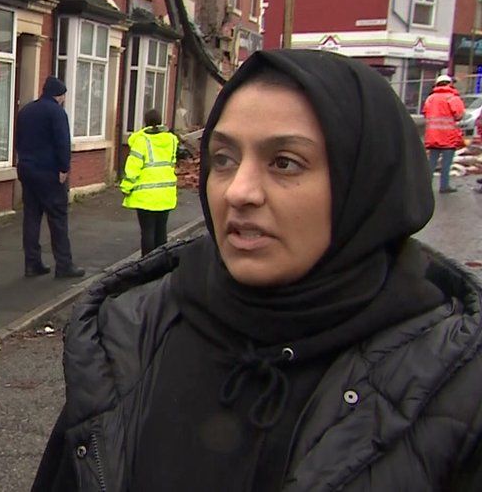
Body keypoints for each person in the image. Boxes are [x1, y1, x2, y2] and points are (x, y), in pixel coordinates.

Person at [32, 50, 482, 491]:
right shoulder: (129, 330)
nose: (238, 192)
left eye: (285, 162)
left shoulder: (456, 383)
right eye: (224, 159)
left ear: (365, 184)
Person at [16, 76, 85, 279]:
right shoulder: (57, 113)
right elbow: (62, 142)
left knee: (31, 218)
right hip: (49, 173)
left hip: (27, 170)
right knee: (57, 219)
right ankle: (64, 265)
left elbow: (18, 139)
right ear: (59, 95)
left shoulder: (26, 111)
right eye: (64, 96)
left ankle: (32, 264)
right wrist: (64, 168)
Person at [119, 109, 181, 256]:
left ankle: (147, 265)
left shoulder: (141, 141)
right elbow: (172, 162)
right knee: (161, 231)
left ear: (145, 122)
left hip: (145, 195)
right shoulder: (172, 140)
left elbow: (133, 167)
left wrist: (126, 187)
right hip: (166, 193)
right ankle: (160, 264)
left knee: (147, 232)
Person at [423, 73, 465, 194]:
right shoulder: (452, 97)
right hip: (448, 137)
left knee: (431, 163)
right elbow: (459, 115)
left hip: (433, 136)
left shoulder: (430, 98)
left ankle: (425, 186)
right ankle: (444, 186)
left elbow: (426, 113)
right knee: (446, 164)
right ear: (449, 84)